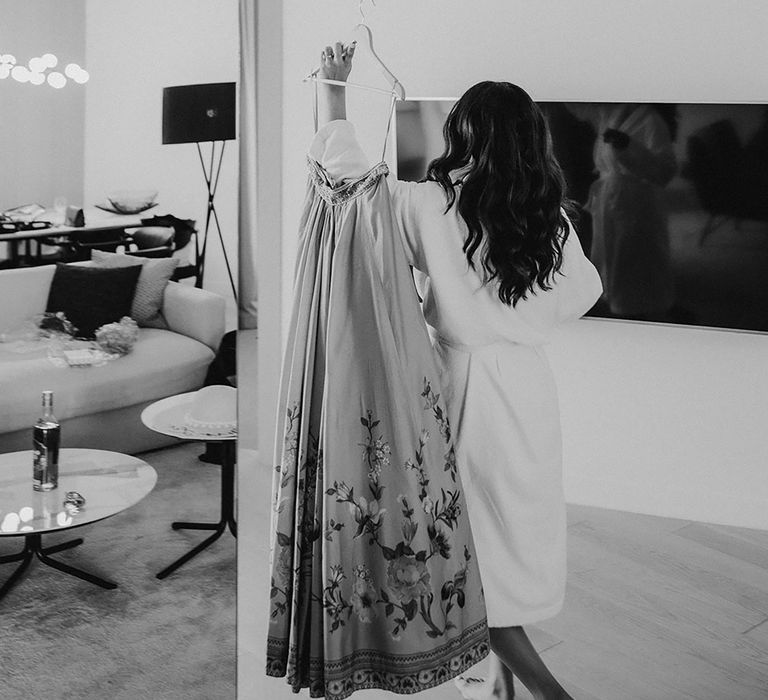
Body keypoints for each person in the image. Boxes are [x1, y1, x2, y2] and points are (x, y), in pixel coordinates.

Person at [311, 43, 602, 700]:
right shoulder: (550, 218)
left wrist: (334, 91)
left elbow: (348, 180)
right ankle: (495, 685)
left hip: (459, 392)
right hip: (527, 393)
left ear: (461, 133)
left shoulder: (429, 205)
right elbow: (582, 293)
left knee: (463, 561)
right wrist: (517, 320)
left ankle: (547, 692)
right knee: (507, 546)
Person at [585, 103, 678, 320]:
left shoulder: (651, 119)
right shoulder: (609, 114)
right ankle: (615, 303)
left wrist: (630, 147)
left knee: (636, 258)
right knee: (611, 256)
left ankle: (642, 311)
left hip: (637, 202)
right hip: (609, 199)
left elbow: (665, 170)